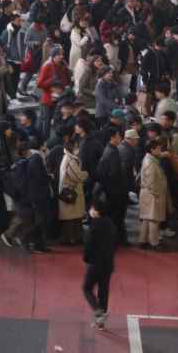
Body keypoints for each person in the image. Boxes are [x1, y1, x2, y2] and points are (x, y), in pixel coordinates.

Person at [83, 196, 117, 331]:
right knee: (103, 291)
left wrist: (86, 259)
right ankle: (100, 323)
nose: (90, 210)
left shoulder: (95, 225)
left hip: (96, 263)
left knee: (87, 288)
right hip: (108, 263)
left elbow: (89, 245)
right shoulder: (110, 223)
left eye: (92, 208)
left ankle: (98, 311)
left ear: (96, 211)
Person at [138, 138, 171, 250]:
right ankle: (154, 243)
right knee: (154, 220)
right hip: (153, 195)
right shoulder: (151, 163)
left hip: (147, 194)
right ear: (152, 149)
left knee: (146, 219)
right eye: (158, 148)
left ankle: (143, 240)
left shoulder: (149, 158)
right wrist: (157, 194)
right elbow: (151, 182)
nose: (160, 150)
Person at [58, 136, 88, 246]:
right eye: (76, 146)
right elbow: (77, 176)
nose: (77, 148)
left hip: (69, 191)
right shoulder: (70, 160)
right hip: (71, 192)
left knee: (73, 217)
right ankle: (70, 238)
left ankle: (72, 238)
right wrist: (86, 173)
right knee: (71, 217)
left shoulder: (68, 158)